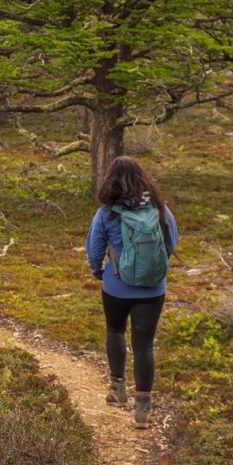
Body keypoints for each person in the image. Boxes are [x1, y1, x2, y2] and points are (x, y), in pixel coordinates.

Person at [85, 155, 177, 428]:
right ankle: (143, 408)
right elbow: (171, 242)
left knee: (115, 330)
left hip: (116, 286)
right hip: (152, 289)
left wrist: (98, 271)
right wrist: (156, 268)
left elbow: (94, 247)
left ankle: (118, 389)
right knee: (144, 345)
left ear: (111, 178)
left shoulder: (107, 211)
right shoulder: (160, 208)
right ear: (142, 177)